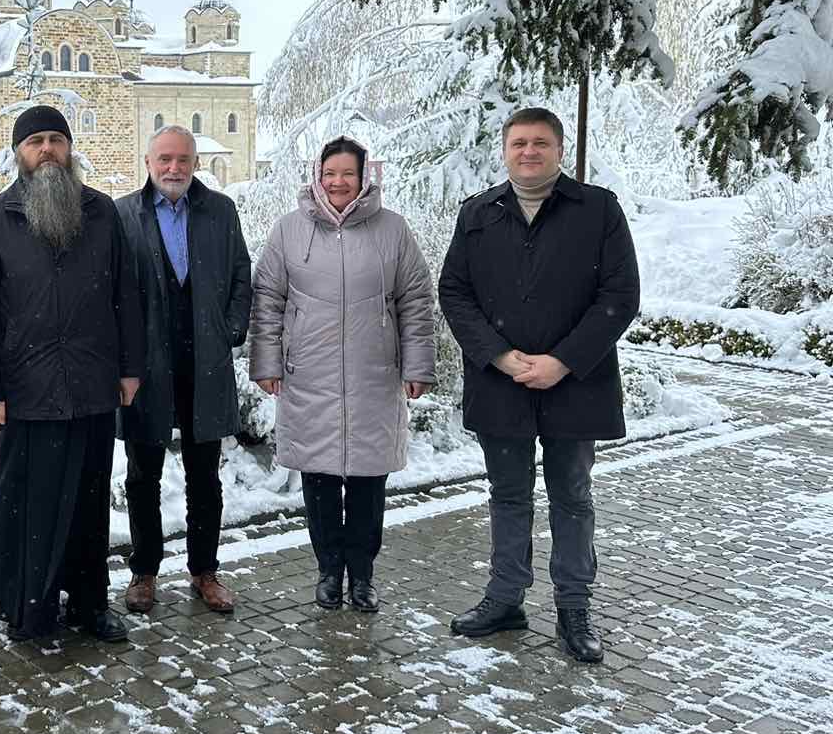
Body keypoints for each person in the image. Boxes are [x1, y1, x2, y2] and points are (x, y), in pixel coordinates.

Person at [439, 107, 639, 663]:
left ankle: (574, 608)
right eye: (519, 143)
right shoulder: (478, 213)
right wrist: (499, 356)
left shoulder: (597, 209)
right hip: (500, 383)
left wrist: (563, 361)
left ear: (559, 150)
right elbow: (454, 291)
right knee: (507, 495)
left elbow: (621, 295)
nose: (529, 152)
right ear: (505, 150)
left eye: (541, 143)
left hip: (576, 383)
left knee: (571, 496)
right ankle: (506, 598)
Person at [0, 105, 145, 644]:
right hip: (25, 390)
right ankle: (30, 608)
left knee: (89, 503)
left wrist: (130, 368)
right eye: (35, 141)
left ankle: (90, 603)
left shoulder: (101, 212)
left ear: (69, 148)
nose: (47, 149)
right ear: (18, 153)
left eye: (55, 140)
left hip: (91, 383)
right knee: (28, 506)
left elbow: (125, 293)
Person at [249, 136, 436, 613]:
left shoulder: (393, 230)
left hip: (375, 377)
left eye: (347, 174)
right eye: (330, 173)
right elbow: (268, 300)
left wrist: (418, 365)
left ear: (363, 177)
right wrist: (266, 362)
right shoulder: (289, 230)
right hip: (308, 376)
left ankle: (363, 576)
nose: (338, 182)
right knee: (320, 484)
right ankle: (329, 571)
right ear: (317, 176)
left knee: (369, 484)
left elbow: (415, 300)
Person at [116, 126, 251, 616]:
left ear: (195, 163)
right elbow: (110, 288)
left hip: (205, 362)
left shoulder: (221, 211)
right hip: (145, 367)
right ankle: (144, 572)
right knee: (142, 476)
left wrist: (230, 329)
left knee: (205, 477)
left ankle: (204, 571)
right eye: (165, 159)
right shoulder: (123, 215)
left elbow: (241, 275)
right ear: (148, 162)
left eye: (183, 159)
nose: (174, 168)